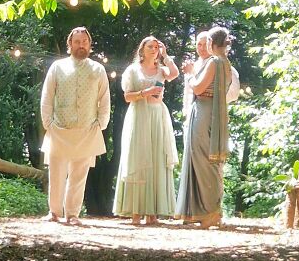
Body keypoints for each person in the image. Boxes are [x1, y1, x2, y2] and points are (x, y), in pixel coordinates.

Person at [40, 27, 111, 225]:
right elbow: (47, 96)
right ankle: (54, 212)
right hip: (59, 128)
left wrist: (101, 124)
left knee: (79, 174)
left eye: (85, 42)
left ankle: (72, 214)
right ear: (69, 44)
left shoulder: (98, 69)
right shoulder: (57, 66)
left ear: (89, 45)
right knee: (56, 172)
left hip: (87, 129)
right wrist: (48, 123)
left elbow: (104, 98)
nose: (81, 45)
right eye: (77, 41)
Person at [113, 36, 179, 225]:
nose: (154, 49)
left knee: (156, 158)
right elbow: (127, 97)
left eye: (156, 47)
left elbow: (174, 74)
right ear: (142, 49)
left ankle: (152, 213)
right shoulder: (133, 70)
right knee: (138, 158)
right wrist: (145, 93)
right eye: (150, 46)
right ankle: (136, 211)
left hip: (157, 116)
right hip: (139, 116)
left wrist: (166, 55)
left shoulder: (161, 69)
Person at [176, 25, 234, 229]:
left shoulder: (214, 62)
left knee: (202, 158)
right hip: (212, 112)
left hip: (204, 111)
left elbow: (198, 86)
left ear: (211, 43)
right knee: (209, 159)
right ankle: (204, 210)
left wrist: (191, 73)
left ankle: (210, 211)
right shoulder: (226, 63)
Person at [182, 30, 240, 123]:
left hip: (210, 113)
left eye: (205, 44)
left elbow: (233, 94)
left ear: (211, 43)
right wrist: (187, 112)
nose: (202, 48)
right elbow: (188, 92)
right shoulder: (194, 65)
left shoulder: (217, 63)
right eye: (199, 44)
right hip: (193, 113)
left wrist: (210, 96)